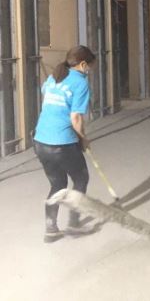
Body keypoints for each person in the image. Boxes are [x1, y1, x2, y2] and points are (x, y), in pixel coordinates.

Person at [33, 45, 95, 242]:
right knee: (81, 178)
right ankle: (74, 224)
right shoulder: (80, 82)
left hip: (40, 141)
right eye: (90, 66)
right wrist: (83, 138)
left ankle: (50, 229)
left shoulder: (55, 76)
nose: (90, 70)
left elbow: (47, 94)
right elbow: (76, 118)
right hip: (61, 143)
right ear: (83, 64)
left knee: (57, 184)